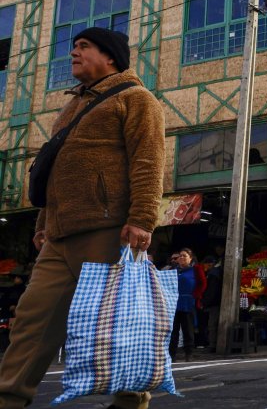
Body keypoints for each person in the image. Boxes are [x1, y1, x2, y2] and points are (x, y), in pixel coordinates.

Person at [0, 27, 165, 409]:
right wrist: (44, 224)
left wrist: (142, 218)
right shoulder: (69, 107)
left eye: (83, 47)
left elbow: (149, 162)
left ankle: (131, 400)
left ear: (110, 57)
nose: (73, 53)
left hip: (108, 231)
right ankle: (9, 397)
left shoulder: (136, 98)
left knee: (118, 326)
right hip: (59, 237)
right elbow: (54, 169)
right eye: (73, 47)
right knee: (31, 322)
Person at [170, 249, 207, 362]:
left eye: (184, 256)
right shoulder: (173, 271)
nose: (181, 258)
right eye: (179, 256)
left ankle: (189, 354)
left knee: (188, 330)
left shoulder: (196, 269)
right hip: (174, 303)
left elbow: (203, 283)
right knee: (173, 331)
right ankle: (171, 355)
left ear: (190, 258)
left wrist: (195, 295)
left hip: (188, 302)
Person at [200, 255, 224, 352]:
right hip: (214, 302)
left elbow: (211, 291)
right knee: (212, 324)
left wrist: (205, 302)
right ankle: (212, 344)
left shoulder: (213, 274)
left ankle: (212, 345)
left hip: (213, 303)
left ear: (209, 264)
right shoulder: (215, 272)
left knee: (212, 325)